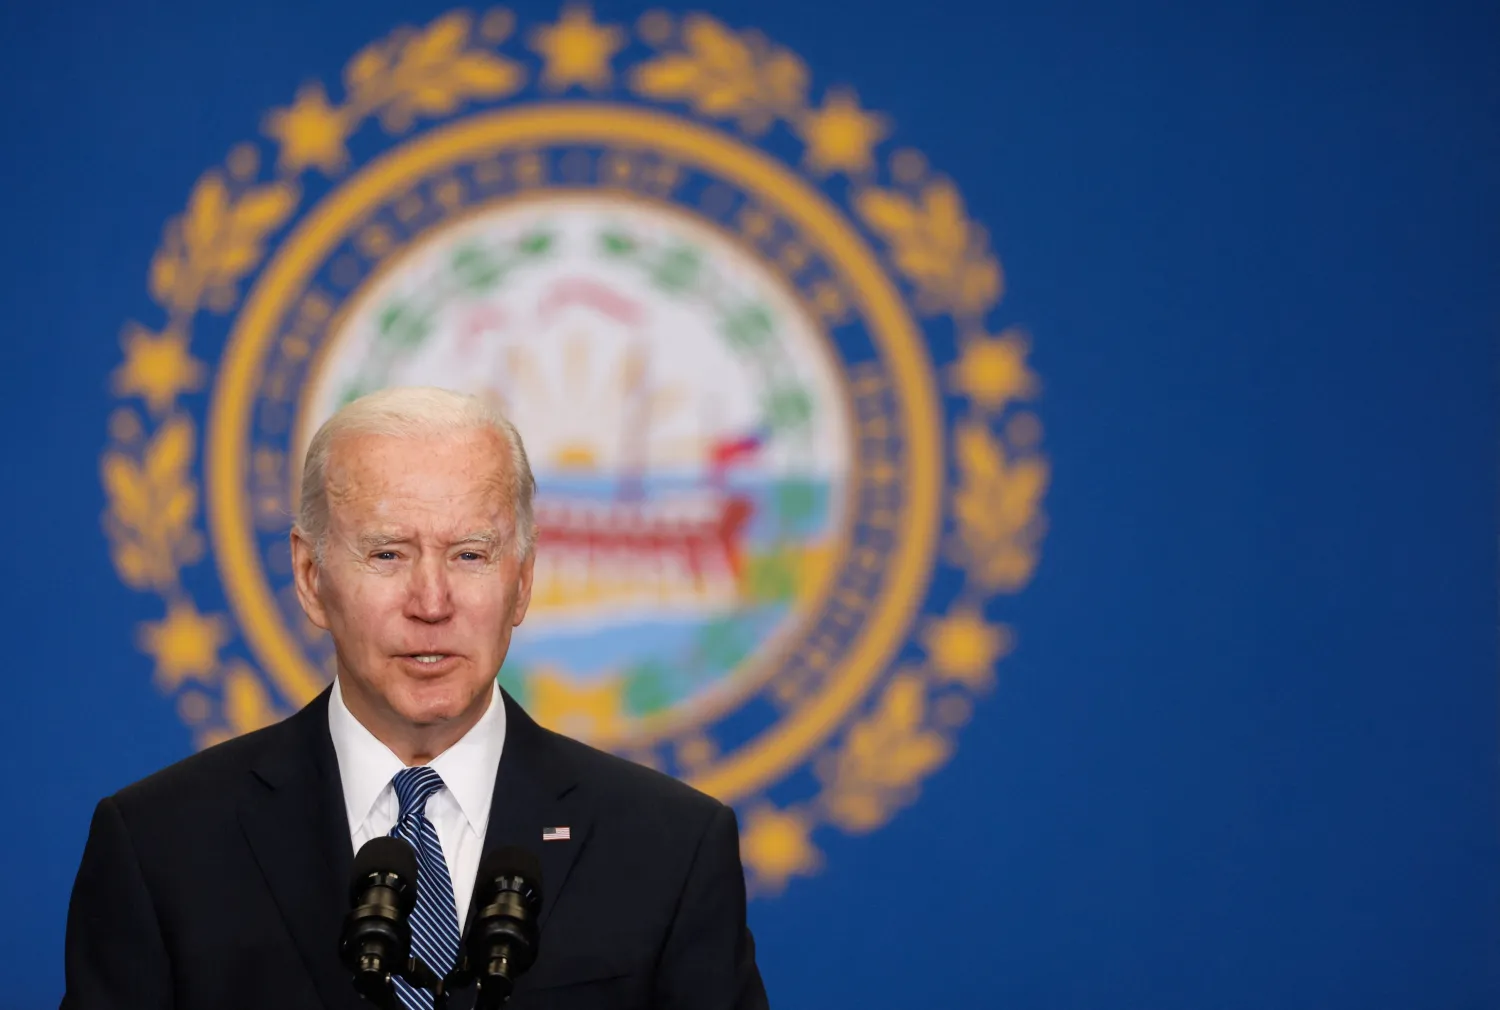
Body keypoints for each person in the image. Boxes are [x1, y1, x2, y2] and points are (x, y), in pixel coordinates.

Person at [62, 387, 768, 1010]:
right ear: (311, 578)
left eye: (469, 554)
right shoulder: (161, 847)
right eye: (388, 554)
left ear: (521, 582)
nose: (432, 603)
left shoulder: (669, 850)